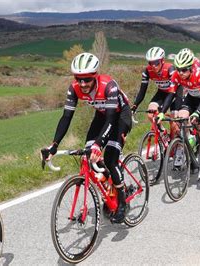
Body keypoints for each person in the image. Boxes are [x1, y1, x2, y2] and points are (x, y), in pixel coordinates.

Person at [41, 52, 132, 223]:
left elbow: (112, 119)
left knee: (110, 158)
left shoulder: (108, 86)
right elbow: (66, 117)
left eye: (87, 79)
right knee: (89, 155)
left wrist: (99, 144)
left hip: (120, 116)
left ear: (95, 76)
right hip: (101, 115)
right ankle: (110, 187)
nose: (82, 84)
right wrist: (54, 145)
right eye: (78, 78)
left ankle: (122, 202)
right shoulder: (74, 88)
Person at [157, 49, 200, 180]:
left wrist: (197, 112)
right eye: (178, 69)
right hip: (190, 97)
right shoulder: (176, 75)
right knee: (180, 118)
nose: (180, 73)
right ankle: (188, 145)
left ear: (191, 68)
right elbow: (171, 94)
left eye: (184, 70)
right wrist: (161, 112)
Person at [131, 46, 180, 137]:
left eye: (156, 63)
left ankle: (177, 144)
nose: (153, 66)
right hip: (162, 92)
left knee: (174, 122)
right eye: (151, 63)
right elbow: (142, 91)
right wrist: (134, 106)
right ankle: (163, 133)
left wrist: (162, 110)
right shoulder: (147, 71)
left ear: (162, 60)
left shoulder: (170, 69)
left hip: (175, 93)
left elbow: (172, 92)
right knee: (151, 114)